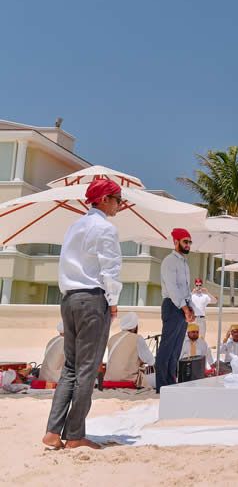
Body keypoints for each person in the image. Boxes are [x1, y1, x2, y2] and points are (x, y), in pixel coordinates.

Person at [43, 179, 122, 450]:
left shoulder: (74, 227)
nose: (119, 204)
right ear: (102, 199)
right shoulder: (105, 229)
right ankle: (75, 435)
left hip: (69, 299)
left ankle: (53, 432)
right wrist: (113, 303)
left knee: (71, 368)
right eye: (116, 198)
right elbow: (110, 270)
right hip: (91, 300)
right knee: (87, 369)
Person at [155, 228, 195, 392]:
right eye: (185, 241)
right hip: (172, 306)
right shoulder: (169, 261)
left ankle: (170, 382)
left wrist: (190, 308)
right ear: (176, 241)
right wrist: (184, 307)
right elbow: (172, 288)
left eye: (189, 242)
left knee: (176, 348)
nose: (188, 245)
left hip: (182, 307)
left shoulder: (184, 263)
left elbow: (185, 288)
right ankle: (162, 385)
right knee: (167, 347)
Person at [106, 313, 155, 387]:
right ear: (135, 326)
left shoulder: (112, 338)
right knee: (159, 377)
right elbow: (151, 361)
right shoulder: (137, 338)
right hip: (128, 380)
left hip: (109, 379)